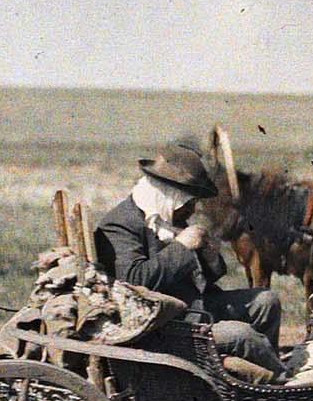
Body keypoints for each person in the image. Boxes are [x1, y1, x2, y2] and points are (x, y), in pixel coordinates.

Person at [93, 144, 285, 377]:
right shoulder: (120, 225)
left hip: (195, 308)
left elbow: (208, 276)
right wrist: (181, 247)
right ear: (170, 196)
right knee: (242, 336)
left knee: (266, 301)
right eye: (189, 202)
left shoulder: (166, 216)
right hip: (162, 327)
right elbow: (134, 280)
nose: (192, 210)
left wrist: (210, 254)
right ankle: (280, 384)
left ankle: (257, 376)